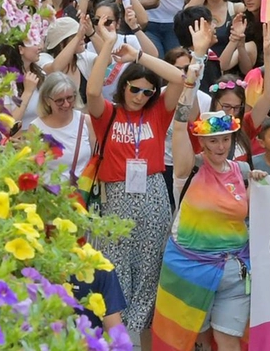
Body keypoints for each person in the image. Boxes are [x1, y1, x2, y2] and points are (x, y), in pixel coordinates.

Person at [82, 20, 197, 340]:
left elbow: (181, 78)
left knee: (149, 276)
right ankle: (116, 338)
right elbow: (92, 90)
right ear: (124, 88)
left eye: (148, 91)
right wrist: (107, 46)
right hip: (116, 199)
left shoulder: (157, 111)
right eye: (135, 89)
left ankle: (130, 339)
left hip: (153, 197)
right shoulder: (109, 113)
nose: (141, 95)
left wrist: (138, 56)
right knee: (114, 272)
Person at [153, 60, 259, 351]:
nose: (220, 146)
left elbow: (249, 216)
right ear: (200, 141)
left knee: (228, 339)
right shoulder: (189, 169)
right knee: (193, 341)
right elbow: (178, 125)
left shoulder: (244, 172)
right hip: (190, 269)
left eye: (225, 139)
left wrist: (260, 186)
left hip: (234, 270)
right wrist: (191, 79)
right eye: (212, 140)